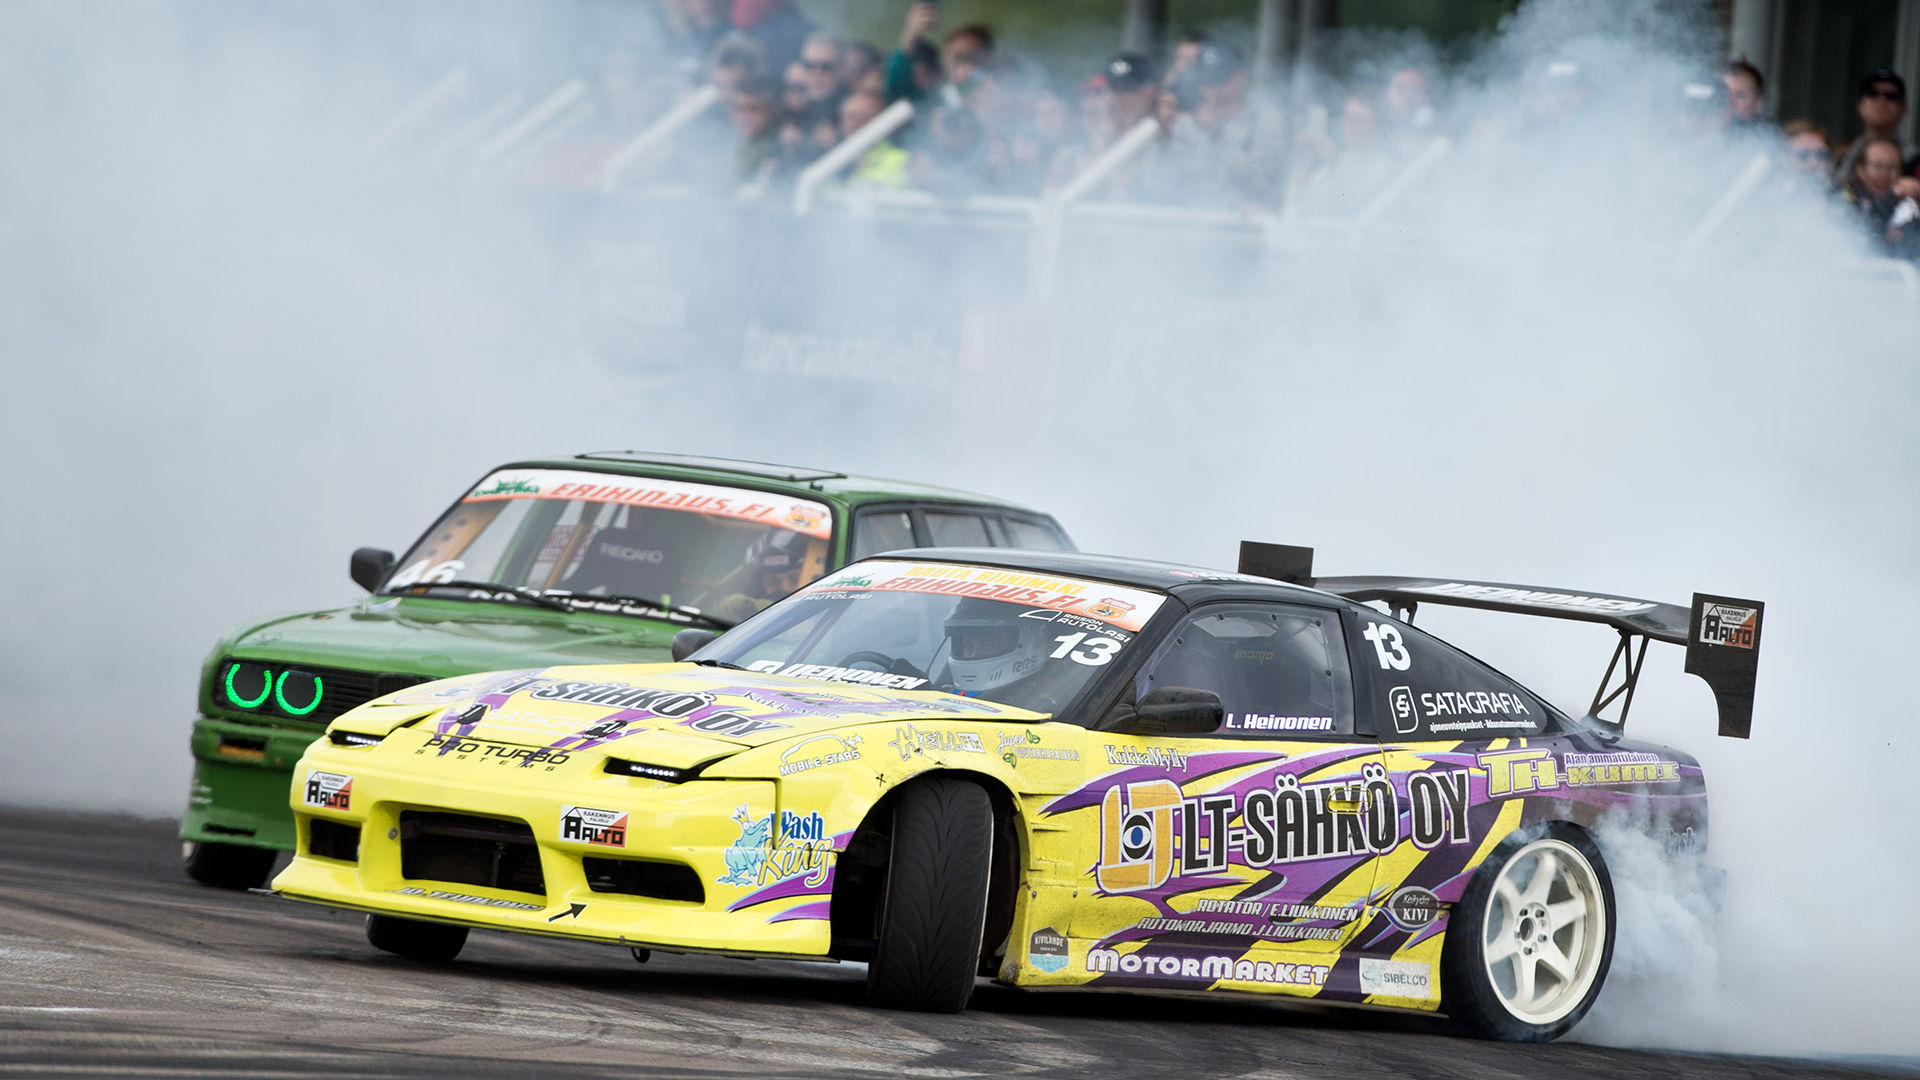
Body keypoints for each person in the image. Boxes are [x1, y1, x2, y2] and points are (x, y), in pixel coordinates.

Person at [1833, 69, 1911, 187]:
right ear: (1860, 106)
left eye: (1891, 96)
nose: (1882, 101)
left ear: (1904, 110)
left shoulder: (1914, 159)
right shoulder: (1842, 155)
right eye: (1872, 94)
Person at [712, 531, 811, 622]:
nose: (786, 588)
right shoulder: (745, 607)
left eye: (796, 579)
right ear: (760, 586)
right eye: (773, 582)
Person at [1722, 59, 1767, 127]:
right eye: (1724, 93)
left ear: (1758, 102)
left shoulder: (1769, 131)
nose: (1730, 101)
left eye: (1740, 95)